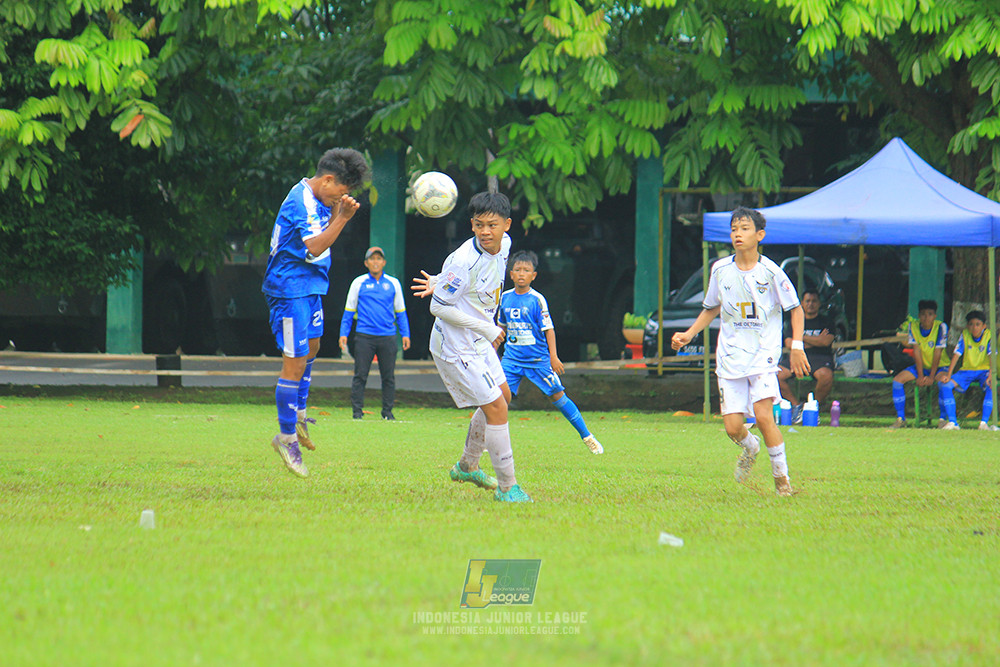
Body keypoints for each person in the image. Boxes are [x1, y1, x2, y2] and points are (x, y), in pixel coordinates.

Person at [671, 206, 807, 496]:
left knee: (763, 416)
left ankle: (782, 482)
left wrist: (797, 346)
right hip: (730, 355)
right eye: (734, 229)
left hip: (763, 355)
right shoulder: (720, 270)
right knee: (733, 427)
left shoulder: (771, 272)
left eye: (744, 228)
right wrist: (688, 334)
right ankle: (750, 447)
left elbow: (795, 309)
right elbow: (711, 308)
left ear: (760, 235)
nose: (737, 234)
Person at [412, 191, 532, 502]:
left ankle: (467, 465)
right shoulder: (462, 260)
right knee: (497, 407)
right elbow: (438, 308)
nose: (485, 232)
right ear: (472, 225)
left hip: (478, 340)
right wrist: (486, 326)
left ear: (507, 225)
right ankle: (508, 488)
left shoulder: (504, 246)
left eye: (492, 225)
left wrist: (440, 280)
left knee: (502, 396)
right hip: (454, 346)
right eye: (479, 225)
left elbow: (465, 285)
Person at [262, 148, 371, 477]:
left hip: (309, 286)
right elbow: (315, 246)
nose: (343, 196)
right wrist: (342, 218)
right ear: (327, 180)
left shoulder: (320, 196)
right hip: (289, 287)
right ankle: (286, 437)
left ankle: (297, 413)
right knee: (294, 362)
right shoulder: (301, 202)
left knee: (313, 346)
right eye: (342, 190)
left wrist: (337, 208)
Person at [497, 250, 604, 455]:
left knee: (558, 397)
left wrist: (553, 357)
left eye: (526, 270)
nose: (521, 273)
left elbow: (549, 330)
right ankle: (488, 440)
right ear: (510, 274)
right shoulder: (505, 298)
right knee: (497, 399)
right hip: (511, 359)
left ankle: (587, 436)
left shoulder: (537, 300)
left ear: (533, 275)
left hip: (538, 360)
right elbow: (500, 329)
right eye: (517, 269)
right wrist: (492, 353)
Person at [339, 246, 411, 421]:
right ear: (366, 263)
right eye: (372, 259)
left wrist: (405, 334)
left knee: (388, 377)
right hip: (364, 336)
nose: (375, 262)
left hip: (387, 336)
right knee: (360, 375)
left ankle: (387, 412)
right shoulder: (359, 282)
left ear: (384, 262)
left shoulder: (393, 283)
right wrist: (343, 334)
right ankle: (357, 412)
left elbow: (400, 311)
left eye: (379, 259)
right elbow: (349, 310)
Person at [776, 289, 835, 423]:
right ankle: (796, 407)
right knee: (776, 375)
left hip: (820, 358)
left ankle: (813, 407)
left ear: (819, 304)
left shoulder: (826, 321)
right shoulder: (793, 321)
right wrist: (816, 341)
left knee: (826, 376)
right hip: (796, 357)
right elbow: (789, 343)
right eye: (807, 301)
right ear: (802, 303)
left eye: (814, 301)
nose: (811, 304)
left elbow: (825, 341)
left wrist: (800, 338)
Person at [890, 299, 949, 428]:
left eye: (930, 314)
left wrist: (932, 377)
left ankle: (942, 419)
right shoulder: (913, 326)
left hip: (939, 366)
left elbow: (938, 353)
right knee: (897, 381)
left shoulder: (941, 327)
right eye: (923, 314)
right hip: (921, 367)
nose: (926, 318)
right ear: (918, 315)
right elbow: (916, 351)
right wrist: (921, 376)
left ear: (935, 316)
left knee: (943, 382)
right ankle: (901, 419)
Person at [938, 310, 992, 430]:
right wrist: (949, 374)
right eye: (971, 324)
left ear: (984, 326)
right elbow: (957, 354)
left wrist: (991, 375)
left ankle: (984, 423)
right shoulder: (965, 334)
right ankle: (953, 422)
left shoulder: (989, 335)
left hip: (984, 371)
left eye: (978, 324)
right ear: (967, 325)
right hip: (966, 371)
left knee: (991, 386)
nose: (974, 327)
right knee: (945, 386)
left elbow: (991, 355)